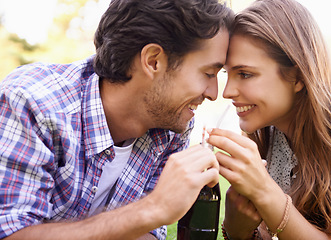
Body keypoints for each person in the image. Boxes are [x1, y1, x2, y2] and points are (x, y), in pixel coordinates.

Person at [0, 0, 234, 239]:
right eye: (208, 74)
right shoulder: (34, 103)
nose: (213, 93)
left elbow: (148, 234)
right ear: (153, 61)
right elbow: (11, 233)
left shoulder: (172, 126)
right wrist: (152, 208)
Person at [207, 0, 331, 239]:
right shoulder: (269, 128)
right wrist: (237, 227)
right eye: (228, 73)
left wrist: (265, 192)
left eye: (245, 74)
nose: (226, 92)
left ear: (298, 76)